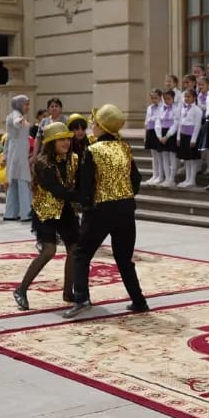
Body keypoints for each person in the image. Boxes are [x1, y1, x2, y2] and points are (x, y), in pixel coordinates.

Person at [64, 105, 148, 318]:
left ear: (101, 126)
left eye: (94, 123)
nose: (92, 126)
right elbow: (136, 179)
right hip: (126, 208)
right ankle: (139, 301)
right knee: (124, 258)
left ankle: (82, 298)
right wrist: (125, 194)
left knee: (81, 253)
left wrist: (83, 205)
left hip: (101, 209)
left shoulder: (92, 150)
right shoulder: (124, 147)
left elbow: (86, 185)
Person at [14, 122, 83, 310]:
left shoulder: (74, 159)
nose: (66, 142)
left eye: (67, 139)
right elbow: (57, 190)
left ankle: (69, 292)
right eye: (61, 139)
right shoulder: (42, 163)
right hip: (45, 211)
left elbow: (77, 183)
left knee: (74, 250)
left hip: (66, 210)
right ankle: (21, 289)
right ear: (51, 142)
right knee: (49, 251)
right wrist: (83, 197)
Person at [3, 95, 34, 221]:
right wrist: (21, 122)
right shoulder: (16, 116)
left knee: (15, 183)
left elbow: (8, 139)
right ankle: (26, 212)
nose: (27, 107)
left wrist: (5, 155)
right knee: (22, 181)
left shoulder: (12, 115)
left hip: (15, 151)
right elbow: (17, 123)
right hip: (18, 153)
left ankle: (11, 212)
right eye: (25, 104)